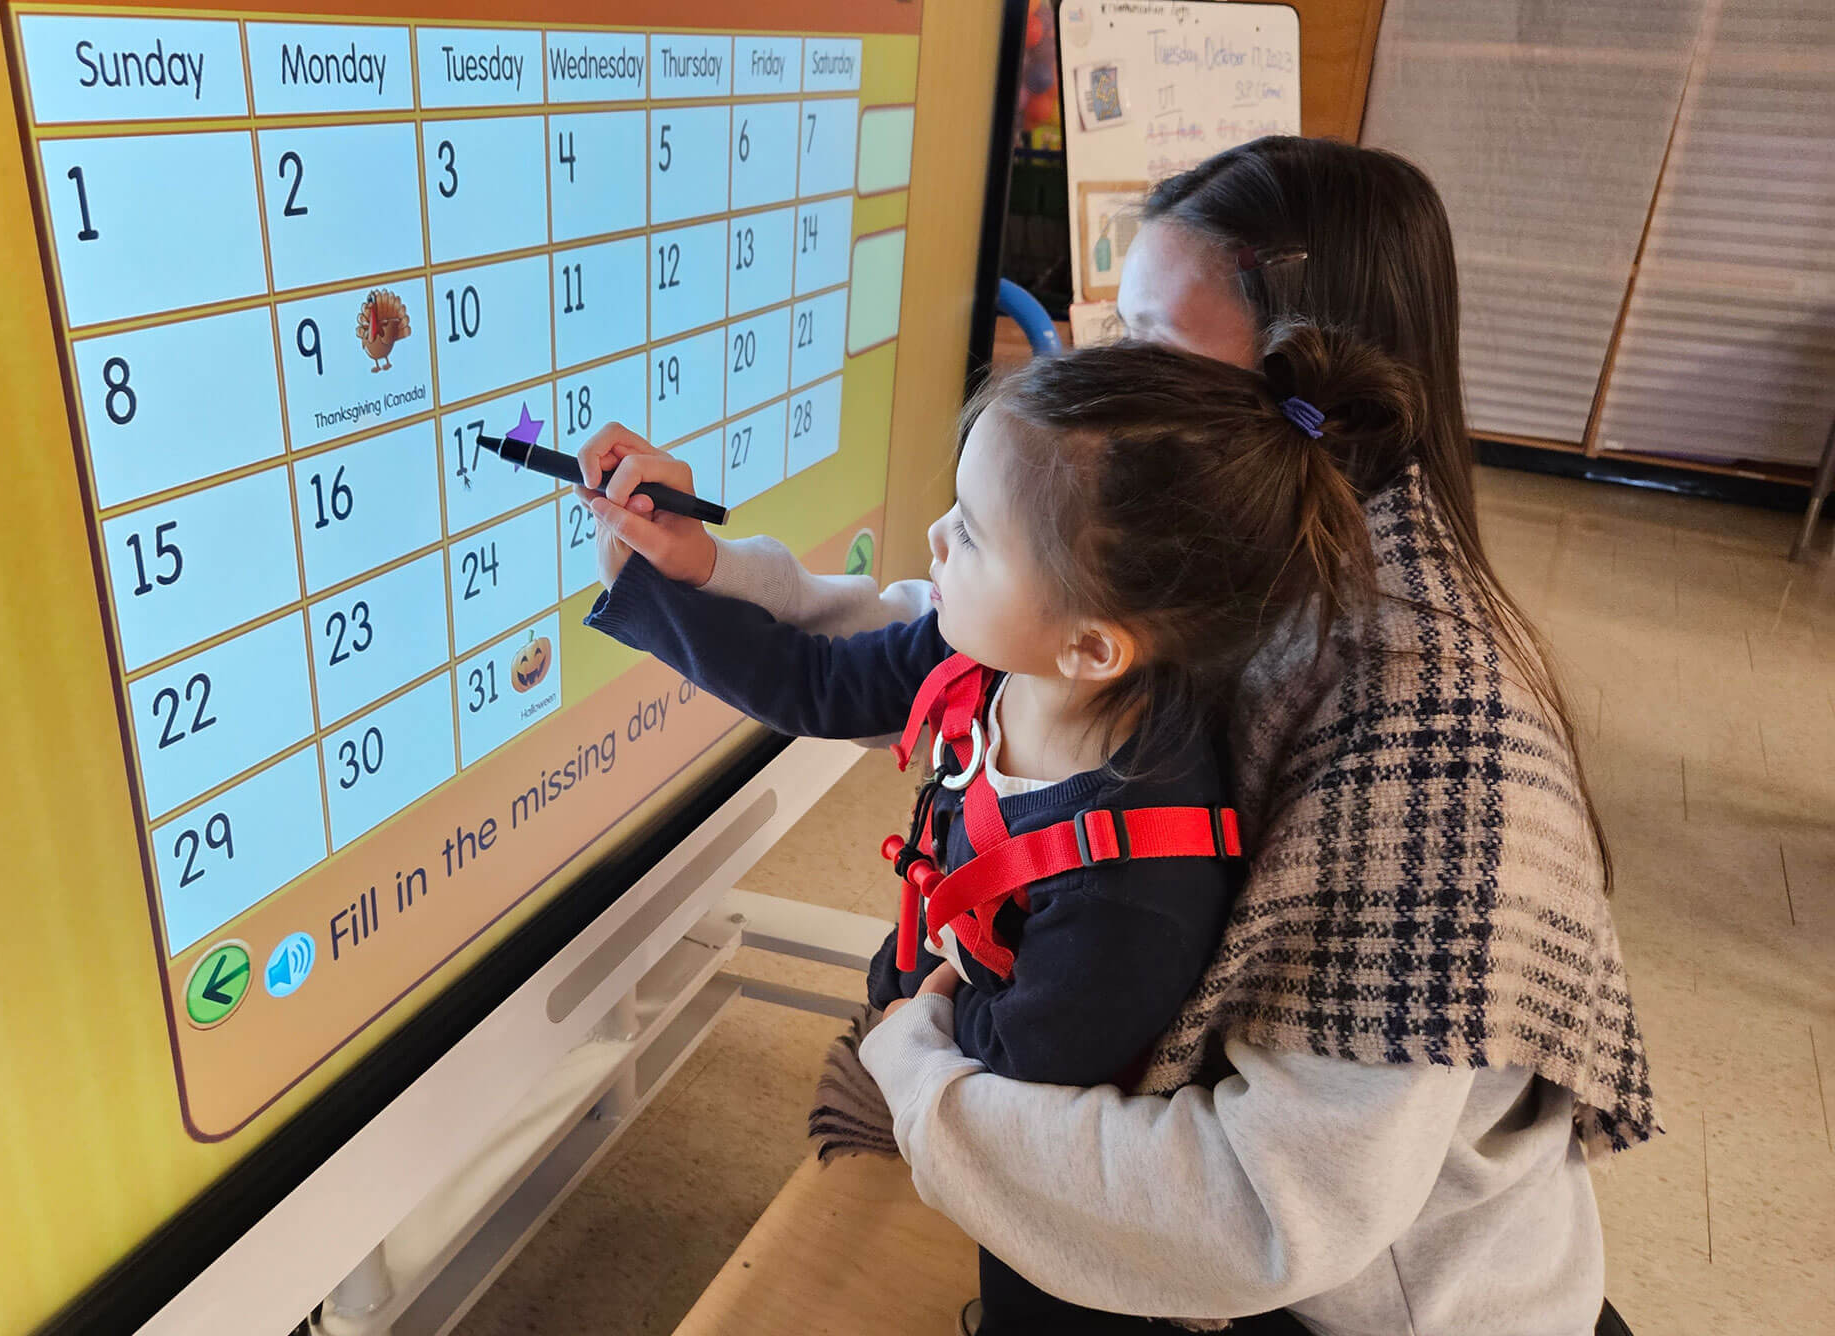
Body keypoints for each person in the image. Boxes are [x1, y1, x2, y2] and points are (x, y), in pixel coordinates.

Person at [581, 137, 1655, 1335]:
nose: (1102, 377)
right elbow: (950, 647)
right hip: (1187, 1193)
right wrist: (702, 569)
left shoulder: (1425, 739)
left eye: (1150, 343)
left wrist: (920, 1070)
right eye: (1111, 330)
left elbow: (1265, 1212)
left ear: (1290, 385)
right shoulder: (1220, 556)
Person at [586, 325, 1421, 1334]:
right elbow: (813, 681)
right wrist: (670, 569)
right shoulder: (991, 658)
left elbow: (1028, 1077)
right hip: (949, 1036)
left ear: (1093, 646)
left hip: (1054, 1185)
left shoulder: (1140, 881)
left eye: (972, 534)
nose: (934, 538)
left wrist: (914, 1024)